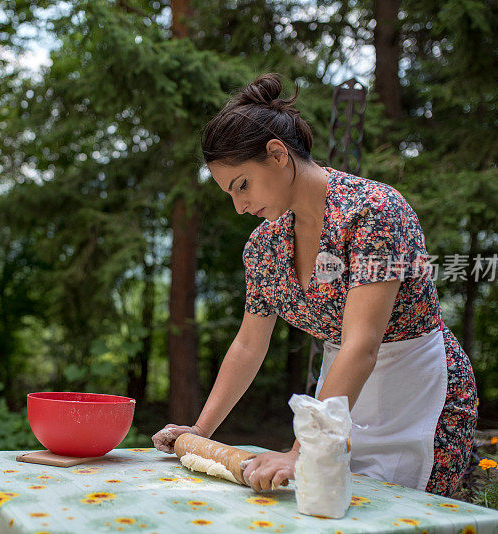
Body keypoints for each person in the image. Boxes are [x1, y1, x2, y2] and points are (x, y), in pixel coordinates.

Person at [151, 72, 478, 497]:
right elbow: (249, 346)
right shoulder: (264, 247)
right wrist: (199, 431)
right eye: (229, 194)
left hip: (419, 396)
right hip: (337, 398)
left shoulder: (372, 211)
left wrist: (302, 450)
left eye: (242, 185)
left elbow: (362, 344)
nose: (239, 206)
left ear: (277, 154)